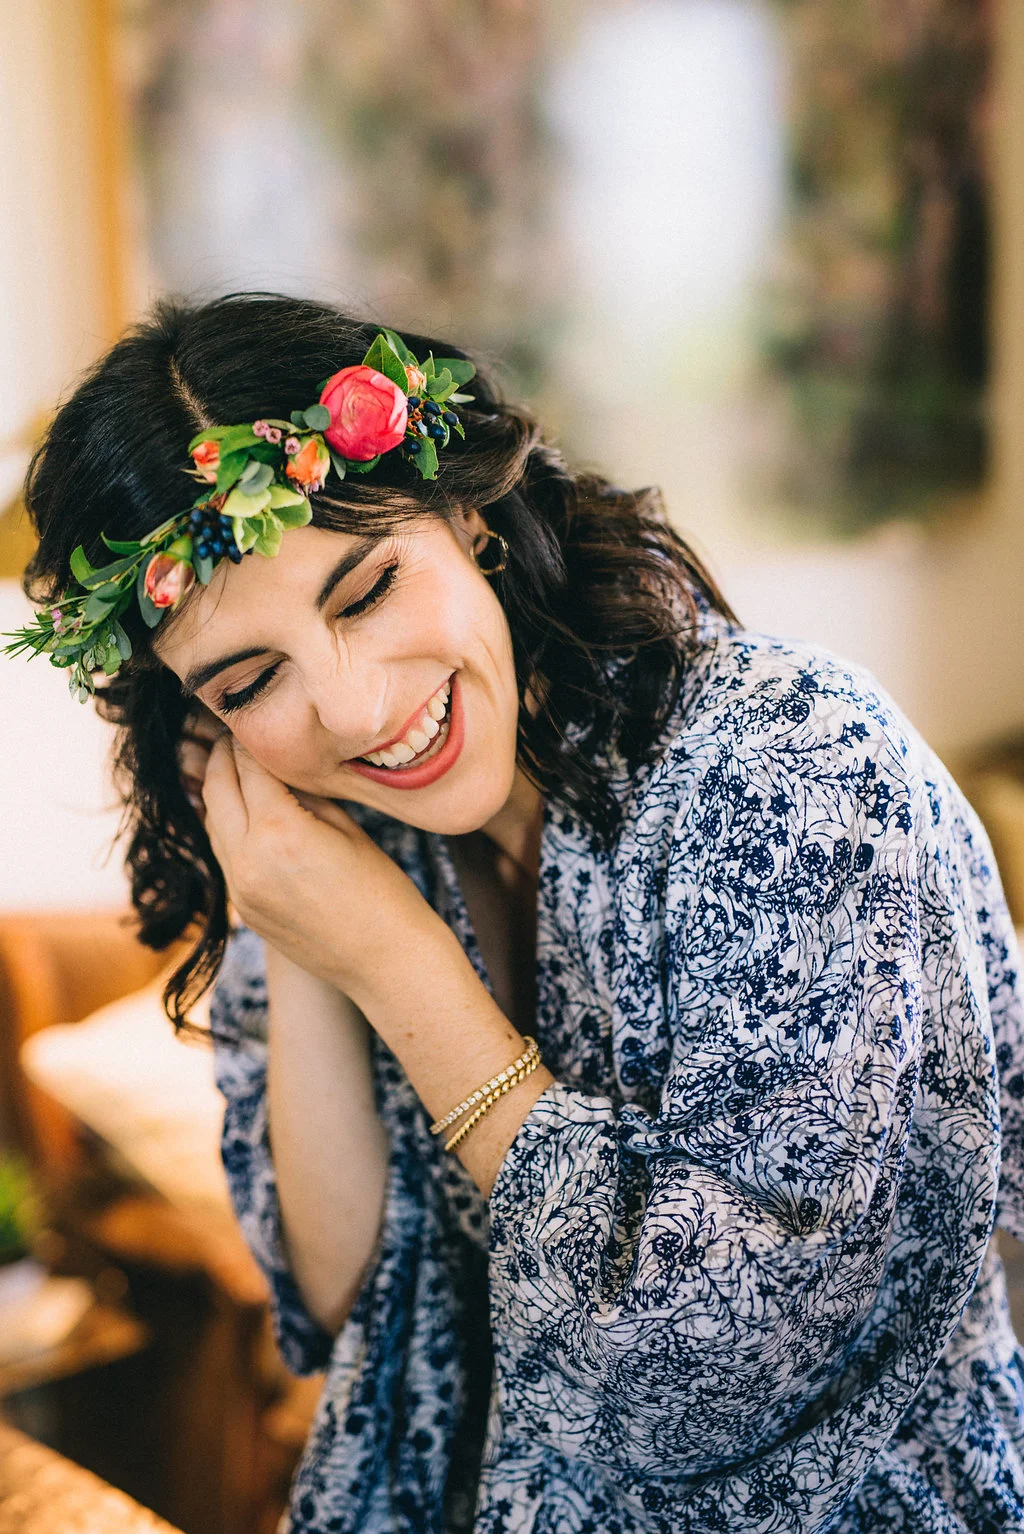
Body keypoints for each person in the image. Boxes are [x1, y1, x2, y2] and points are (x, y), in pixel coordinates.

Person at [12, 291, 1024, 1534]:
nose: (353, 710)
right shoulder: (320, 836)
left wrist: (399, 964)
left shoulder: (795, 761)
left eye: (365, 591)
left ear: (467, 513)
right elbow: (347, 1308)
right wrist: (303, 922)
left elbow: (708, 1385)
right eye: (252, 678)